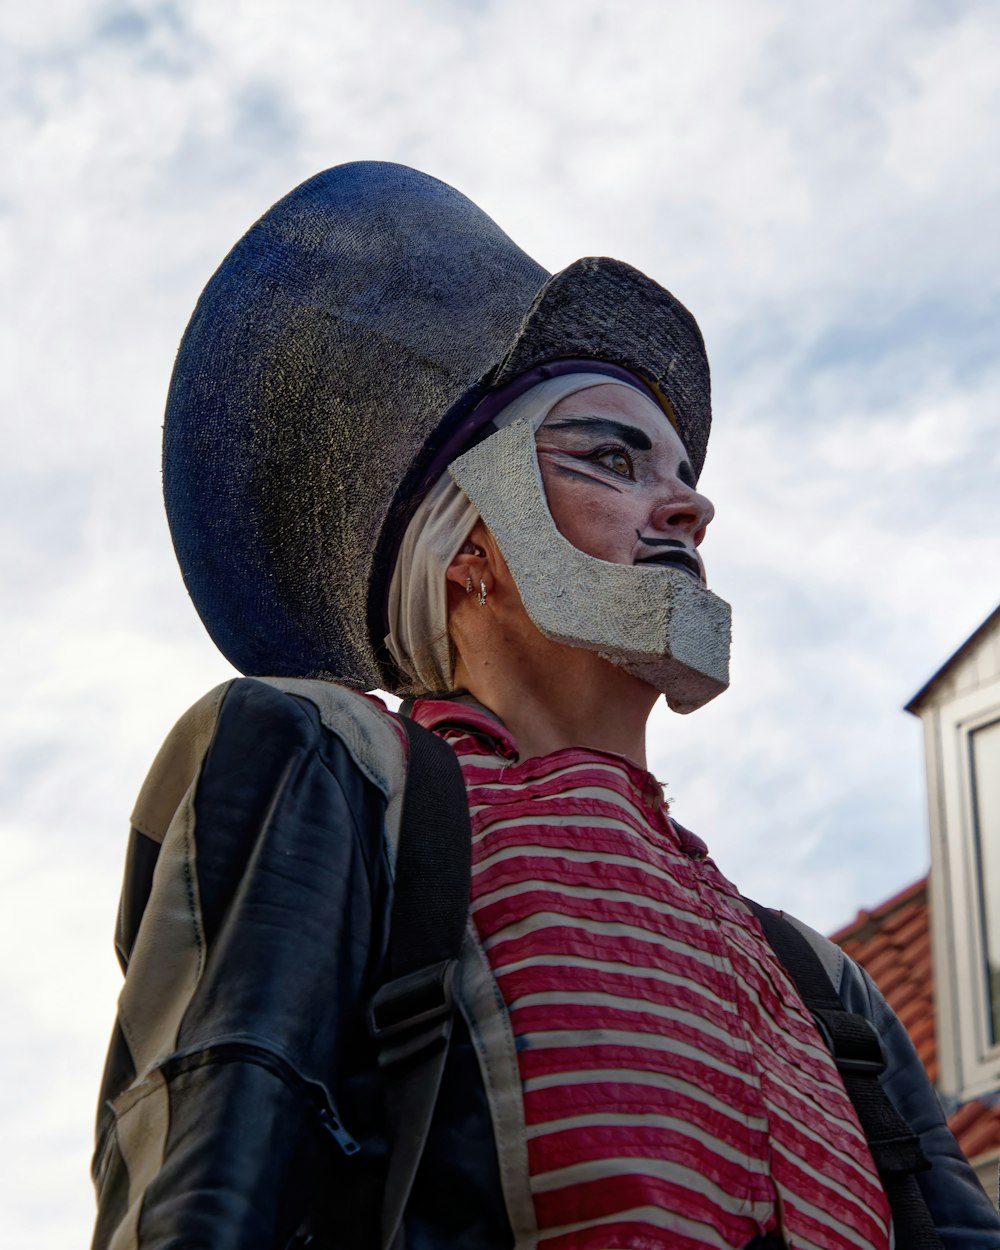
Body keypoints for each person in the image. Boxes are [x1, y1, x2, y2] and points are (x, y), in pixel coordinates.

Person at [90, 162, 1000, 1250]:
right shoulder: (328, 766)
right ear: (472, 538)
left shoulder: (827, 986)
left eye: (679, 469)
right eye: (612, 456)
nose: (690, 502)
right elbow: (205, 1170)